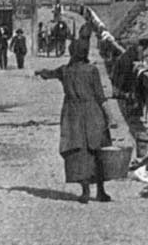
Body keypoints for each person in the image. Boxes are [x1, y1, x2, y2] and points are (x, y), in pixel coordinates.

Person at [35, 38, 113, 204]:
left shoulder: (66, 70)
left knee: (78, 151)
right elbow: (100, 96)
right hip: (93, 112)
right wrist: (110, 116)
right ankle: (101, 191)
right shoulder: (92, 70)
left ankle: (85, 191)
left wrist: (40, 71)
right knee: (97, 151)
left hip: (73, 114)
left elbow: (49, 74)